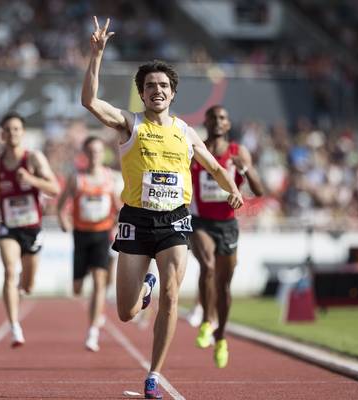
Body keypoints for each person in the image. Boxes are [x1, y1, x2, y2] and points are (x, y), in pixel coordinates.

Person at [81, 17, 243, 399]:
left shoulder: (185, 132)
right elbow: (89, 101)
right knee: (126, 312)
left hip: (175, 222)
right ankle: (146, 286)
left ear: (173, 94)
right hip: (136, 221)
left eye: (164, 86)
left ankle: (153, 374)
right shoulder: (129, 124)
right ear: (142, 92)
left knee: (173, 294)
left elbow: (215, 166)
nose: (157, 90)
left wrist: (232, 187)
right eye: (150, 85)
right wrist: (97, 54)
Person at [0, 111, 61, 347]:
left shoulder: (33, 159)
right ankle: (14, 326)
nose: (12, 133)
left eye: (16, 129)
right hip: (8, 227)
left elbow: (54, 188)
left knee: (28, 285)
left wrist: (31, 180)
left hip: (32, 227)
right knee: (10, 271)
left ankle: (23, 289)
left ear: (22, 133)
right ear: (2, 135)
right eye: (8, 130)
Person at [190, 105, 264, 368]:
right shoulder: (197, 149)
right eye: (213, 117)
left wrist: (244, 170)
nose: (218, 121)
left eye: (223, 117)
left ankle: (221, 338)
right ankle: (207, 321)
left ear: (228, 124)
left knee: (223, 286)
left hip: (227, 224)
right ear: (206, 121)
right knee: (207, 265)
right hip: (199, 221)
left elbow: (258, 190)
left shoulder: (237, 151)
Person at [56, 135, 121, 352]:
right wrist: (63, 220)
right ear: (85, 154)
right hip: (81, 235)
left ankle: (92, 332)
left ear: (103, 154)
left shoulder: (111, 178)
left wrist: (119, 223)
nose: (95, 155)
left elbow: (119, 207)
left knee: (100, 282)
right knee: (77, 289)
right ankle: (92, 306)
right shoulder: (76, 178)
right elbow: (61, 205)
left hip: (103, 235)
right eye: (91, 151)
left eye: (98, 151)